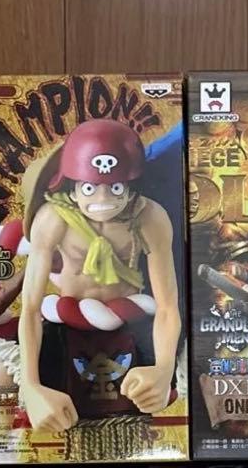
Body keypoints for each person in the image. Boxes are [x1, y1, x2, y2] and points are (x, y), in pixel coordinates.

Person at [19, 119, 182, 432]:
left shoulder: (149, 218)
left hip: (130, 321)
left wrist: (163, 368)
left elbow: (167, 306)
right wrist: (30, 385)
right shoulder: (53, 219)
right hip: (65, 321)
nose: (103, 200)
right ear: (72, 185)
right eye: (90, 188)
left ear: (131, 185)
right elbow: (30, 308)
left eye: (115, 188)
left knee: (147, 407)